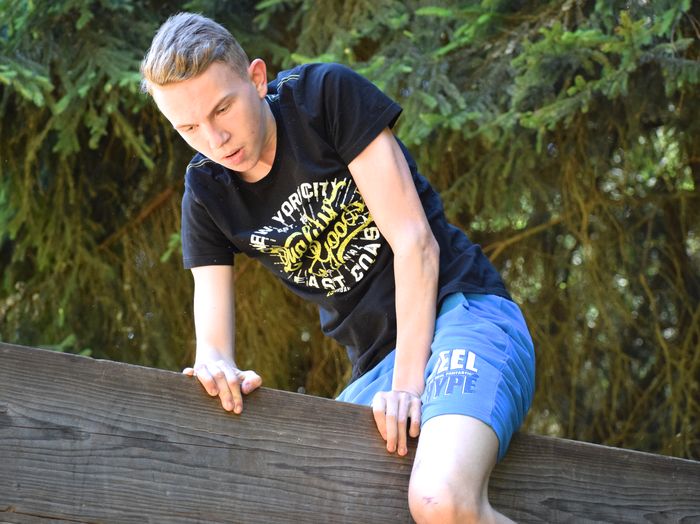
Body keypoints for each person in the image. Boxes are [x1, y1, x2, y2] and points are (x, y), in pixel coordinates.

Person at [140, 12, 535, 524]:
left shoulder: (323, 98)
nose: (214, 139)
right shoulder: (206, 192)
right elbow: (213, 348)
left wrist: (408, 386)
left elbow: (415, 244)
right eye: (189, 128)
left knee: (439, 501)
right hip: (376, 371)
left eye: (222, 108)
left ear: (256, 79)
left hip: (462, 316)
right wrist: (218, 368)